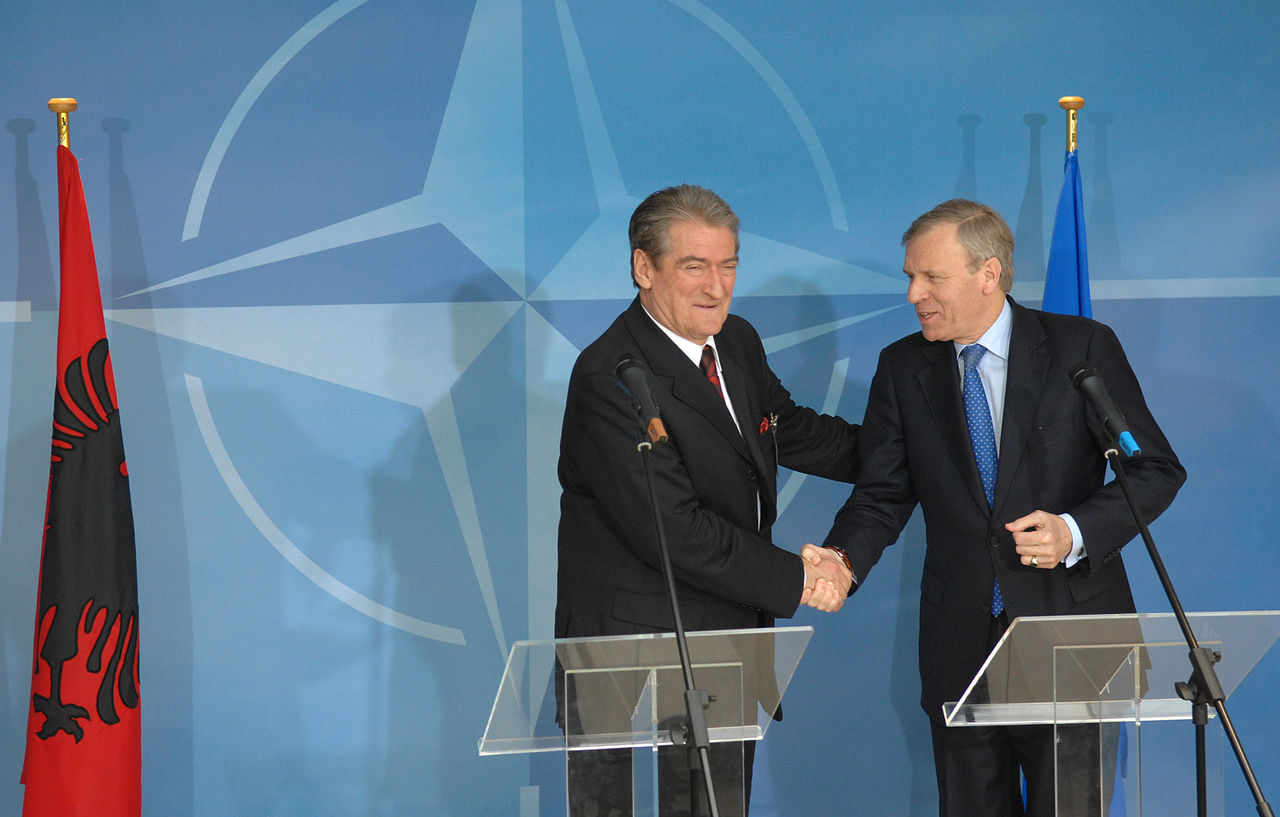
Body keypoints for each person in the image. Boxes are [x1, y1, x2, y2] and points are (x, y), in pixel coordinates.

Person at [823, 199, 1185, 817]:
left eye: (931, 277)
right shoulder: (903, 366)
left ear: (987, 274)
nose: (915, 294)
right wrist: (841, 559)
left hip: (1068, 635)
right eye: (910, 276)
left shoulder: (1080, 348)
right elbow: (883, 492)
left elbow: (1153, 469)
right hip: (960, 644)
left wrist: (1073, 531)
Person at [556, 184, 859, 815]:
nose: (715, 287)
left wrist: (911, 454)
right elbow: (675, 529)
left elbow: (787, 428)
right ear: (645, 268)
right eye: (694, 267)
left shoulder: (736, 342)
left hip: (722, 641)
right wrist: (799, 577)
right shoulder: (610, 376)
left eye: (728, 266)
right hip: (633, 657)